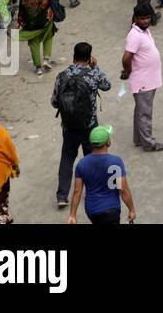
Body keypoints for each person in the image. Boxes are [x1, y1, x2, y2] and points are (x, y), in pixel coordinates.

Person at [52, 41, 112, 208]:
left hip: (69, 126)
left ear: (73, 56)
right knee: (92, 158)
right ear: (89, 57)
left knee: (67, 158)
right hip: (89, 126)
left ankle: (62, 196)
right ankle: (93, 191)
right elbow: (107, 86)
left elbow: (54, 102)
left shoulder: (62, 76)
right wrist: (95, 67)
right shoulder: (92, 75)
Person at [122, 3, 163, 152]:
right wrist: (128, 72)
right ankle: (149, 143)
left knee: (141, 111)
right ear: (135, 18)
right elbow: (126, 58)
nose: (146, 21)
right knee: (145, 113)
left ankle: (139, 139)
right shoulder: (135, 35)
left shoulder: (144, 31)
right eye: (142, 18)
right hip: (143, 81)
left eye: (148, 18)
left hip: (149, 79)